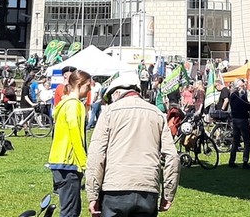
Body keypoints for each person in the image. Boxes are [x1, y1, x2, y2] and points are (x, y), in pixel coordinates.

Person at [85, 71, 179, 216]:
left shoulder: (109, 113)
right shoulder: (157, 113)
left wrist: (93, 195)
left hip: (114, 188)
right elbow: (172, 156)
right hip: (148, 188)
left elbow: (96, 155)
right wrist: (168, 193)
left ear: (116, 93)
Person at [48, 70, 91, 217]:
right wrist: (85, 163)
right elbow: (75, 135)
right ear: (79, 84)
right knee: (70, 212)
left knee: (70, 209)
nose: (89, 90)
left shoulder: (63, 104)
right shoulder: (74, 105)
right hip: (69, 162)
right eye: (88, 86)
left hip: (58, 160)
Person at [228, 80, 250, 169]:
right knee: (247, 141)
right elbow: (245, 106)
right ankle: (245, 161)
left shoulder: (232, 95)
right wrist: (249, 105)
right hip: (242, 119)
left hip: (235, 119)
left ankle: (231, 160)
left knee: (235, 141)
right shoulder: (239, 95)